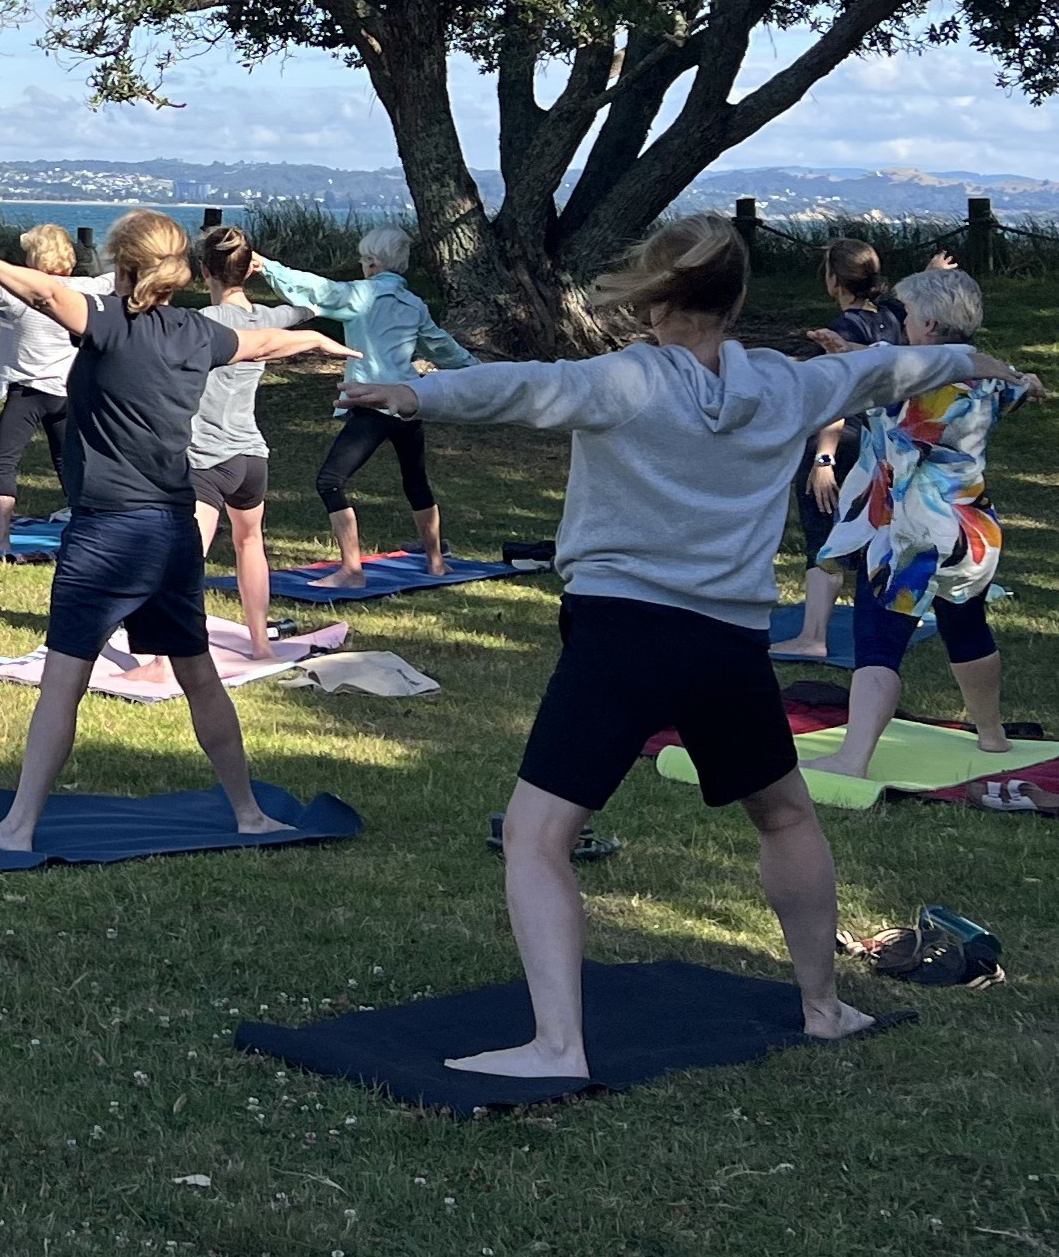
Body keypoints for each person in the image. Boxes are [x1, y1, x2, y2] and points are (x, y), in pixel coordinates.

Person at [346, 214, 1012, 1079]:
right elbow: (884, 368)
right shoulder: (784, 384)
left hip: (623, 634)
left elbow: (524, 387)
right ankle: (824, 1008)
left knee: (538, 834)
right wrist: (971, 360)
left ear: (656, 297)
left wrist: (416, 395)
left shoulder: (627, 378)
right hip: (727, 642)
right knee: (785, 814)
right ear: (737, 296)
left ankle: (558, 1046)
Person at [0, 214, 354, 853]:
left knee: (63, 683)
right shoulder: (196, 332)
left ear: (122, 264)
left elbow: (44, 290)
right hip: (172, 531)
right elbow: (263, 342)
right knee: (199, 675)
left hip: (107, 534)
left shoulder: (108, 323)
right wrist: (316, 340)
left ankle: (17, 828)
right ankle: (249, 813)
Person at [806, 266, 1040, 776]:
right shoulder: (987, 376)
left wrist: (844, 354)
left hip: (908, 532)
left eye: (908, 314)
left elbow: (876, 368)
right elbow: (1021, 389)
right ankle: (993, 737)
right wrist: (1029, 382)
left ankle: (853, 758)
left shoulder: (904, 379)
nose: (903, 322)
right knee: (965, 624)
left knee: (878, 641)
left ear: (929, 325)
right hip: (970, 529)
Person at [256, 228, 475, 583]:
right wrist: (483, 373)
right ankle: (436, 562)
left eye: (363, 259)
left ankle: (351, 570)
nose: (362, 265)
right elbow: (443, 348)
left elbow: (318, 289)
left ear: (373, 262)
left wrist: (268, 267)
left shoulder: (363, 295)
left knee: (330, 481)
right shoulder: (414, 304)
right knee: (416, 481)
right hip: (409, 402)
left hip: (374, 405)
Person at [776, 238, 910, 659]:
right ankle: (881, 620)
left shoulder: (844, 330)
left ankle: (812, 636)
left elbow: (838, 398)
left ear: (834, 280)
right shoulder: (893, 316)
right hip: (879, 445)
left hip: (842, 442)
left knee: (824, 537)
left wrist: (823, 458)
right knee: (872, 531)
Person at [189, 225, 314, 657]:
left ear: (205, 272)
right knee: (250, 543)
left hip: (206, 459)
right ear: (247, 271)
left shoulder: (199, 323)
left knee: (187, 558)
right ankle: (261, 644)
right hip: (250, 457)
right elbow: (312, 304)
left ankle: (171, 654)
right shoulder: (267, 318)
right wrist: (274, 271)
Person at [0, 224, 96, 560]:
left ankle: (1, 537)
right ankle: (85, 534)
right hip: (66, 392)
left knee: (3, 460)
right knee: (68, 462)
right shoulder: (84, 291)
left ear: (34, 257)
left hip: (28, 393)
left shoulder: (18, 294)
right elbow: (120, 281)